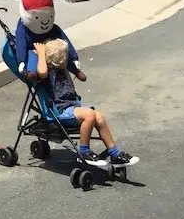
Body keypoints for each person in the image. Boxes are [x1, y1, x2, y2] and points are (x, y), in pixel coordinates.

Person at [36, 38, 136, 167]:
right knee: (89, 115)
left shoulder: (62, 68)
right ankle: (84, 151)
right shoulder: (48, 72)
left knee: (98, 116)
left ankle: (114, 153)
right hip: (59, 111)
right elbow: (42, 72)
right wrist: (40, 53)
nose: (65, 60)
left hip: (72, 106)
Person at [14, 0, 81, 79]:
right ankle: (32, 72)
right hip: (35, 49)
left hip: (52, 50)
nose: (45, 23)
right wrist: (22, 61)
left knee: (61, 52)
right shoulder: (24, 29)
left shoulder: (53, 29)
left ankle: (75, 70)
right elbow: (20, 43)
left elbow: (64, 39)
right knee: (32, 56)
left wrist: (74, 57)